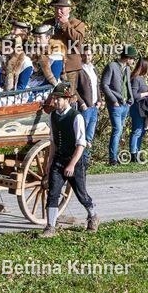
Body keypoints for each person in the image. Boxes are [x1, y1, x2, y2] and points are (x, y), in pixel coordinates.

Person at [41, 82, 99, 237]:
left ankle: (93, 215)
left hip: (75, 161)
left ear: (67, 99)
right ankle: (50, 227)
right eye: (54, 98)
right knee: (53, 193)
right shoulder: (53, 116)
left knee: (81, 194)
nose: (55, 101)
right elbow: (53, 142)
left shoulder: (76, 117)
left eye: (58, 99)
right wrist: (49, 162)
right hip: (59, 160)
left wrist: (72, 165)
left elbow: (81, 144)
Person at [100, 45, 138, 165]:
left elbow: (127, 85)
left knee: (119, 130)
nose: (133, 61)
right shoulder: (112, 66)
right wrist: (113, 100)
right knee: (117, 130)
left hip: (125, 104)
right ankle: (113, 159)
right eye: (132, 58)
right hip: (115, 104)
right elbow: (104, 85)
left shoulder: (127, 69)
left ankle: (115, 156)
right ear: (127, 58)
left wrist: (131, 99)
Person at [50, 0, 89, 90]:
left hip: (69, 68)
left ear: (69, 9)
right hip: (51, 66)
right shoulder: (48, 23)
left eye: (61, 8)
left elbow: (78, 40)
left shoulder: (77, 24)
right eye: (56, 8)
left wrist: (65, 24)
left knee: (68, 94)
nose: (59, 11)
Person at [128, 58, 148, 162]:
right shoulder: (136, 78)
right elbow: (134, 95)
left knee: (142, 131)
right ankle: (133, 154)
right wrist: (147, 93)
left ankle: (137, 151)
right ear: (144, 67)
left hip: (142, 108)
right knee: (137, 131)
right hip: (137, 108)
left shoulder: (141, 78)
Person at [75, 45, 101, 147]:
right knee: (82, 135)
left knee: (89, 136)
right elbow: (74, 89)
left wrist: (99, 100)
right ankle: (81, 156)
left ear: (92, 55)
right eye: (85, 55)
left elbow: (96, 85)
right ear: (81, 56)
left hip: (94, 106)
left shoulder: (93, 69)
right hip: (85, 107)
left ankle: (86, 156)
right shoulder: (79, 70)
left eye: (89, 55)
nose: (87, 57)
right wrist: (82, 103)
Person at [27, 24, 63, 88]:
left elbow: (52, 81)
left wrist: (34, 91)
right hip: (31, 84)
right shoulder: (32, 51)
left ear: (48, 37)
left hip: (47, 89)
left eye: (40, 37)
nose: (37, 40)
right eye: (35, 37)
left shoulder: (56, 53)